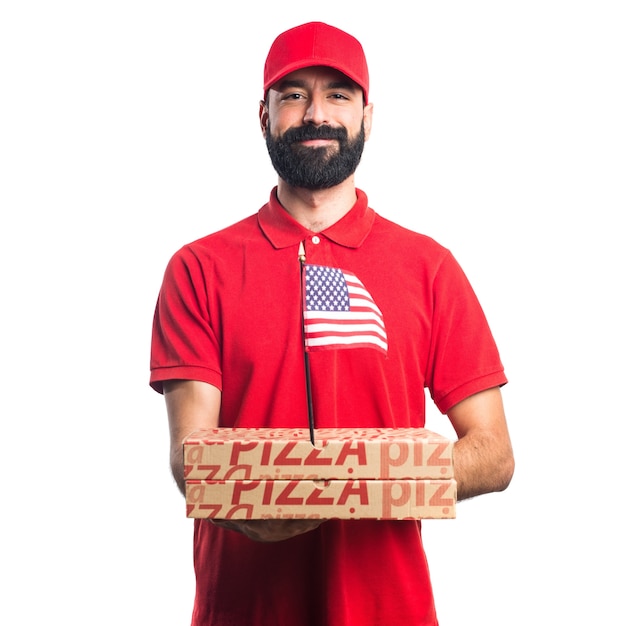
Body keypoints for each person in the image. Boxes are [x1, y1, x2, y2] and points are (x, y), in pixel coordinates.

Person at [149, 21, 514, 626]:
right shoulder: (198, 269)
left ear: (369, 115)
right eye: (292, 95)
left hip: (389, 610)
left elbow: (494, 453)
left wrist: (355, 481)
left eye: (338, 95)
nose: (315, 113)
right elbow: (192, 457)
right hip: (242, 610)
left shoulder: (430, 268)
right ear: (262, 116)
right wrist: (252, 498)